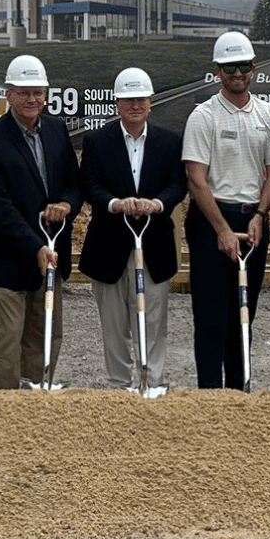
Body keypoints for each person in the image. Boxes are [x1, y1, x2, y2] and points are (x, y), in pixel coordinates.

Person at [183, 31, 270, 390]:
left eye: (243, 66)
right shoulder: (204, 116)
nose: (238, 73)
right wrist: (222, 229)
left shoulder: (267, 114)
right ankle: (211, 396)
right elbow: (197, 180)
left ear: (253, 69)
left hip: (253, 220)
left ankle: (238, 391)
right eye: (230, 67)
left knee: (243, 313)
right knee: (211, 316)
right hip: (211, 220)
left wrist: (260, 215)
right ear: (218, 71)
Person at [0, 54, 81, 389]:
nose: (33, 99)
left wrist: (66, 203)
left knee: (46, 333)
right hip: (12, 256)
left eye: (39, 92)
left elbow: (74, 183)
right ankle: (3, 409)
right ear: (9, 94)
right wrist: (34, 247)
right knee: (8, 344)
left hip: (52, 250)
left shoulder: (56, 130)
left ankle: (37, 399)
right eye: (25, 92)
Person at [78, 67, 186, 390]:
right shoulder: (97, 142)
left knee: (153, 320)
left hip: (153, 244)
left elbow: (178, 184)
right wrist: (114, 204)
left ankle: (153, 382)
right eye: (128, 100)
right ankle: (118, 382)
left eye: (141, 99)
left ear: (150, 103)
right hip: (108, 244)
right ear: (117, 104)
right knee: (113, 323)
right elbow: (89, 185)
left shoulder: (169, 142)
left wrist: (158, 203)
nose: (135, 105)